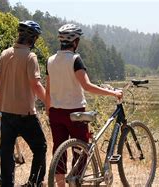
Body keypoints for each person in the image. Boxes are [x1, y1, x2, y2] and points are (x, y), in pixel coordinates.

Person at [45, 24, 123, 185]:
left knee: (59, 150)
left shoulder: (50, 60)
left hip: (55, 112)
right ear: (75, 42)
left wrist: (48, 108)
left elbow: (48, 88)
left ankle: (59, 184)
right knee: (81, 150)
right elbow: (87, 86)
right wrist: (113, 93)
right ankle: (76, 181)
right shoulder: (75, 59)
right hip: (75, 112)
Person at [0, 20, 47, 187]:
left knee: (7, 153)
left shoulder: (5, 54)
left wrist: (5, 98)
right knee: (40, 147)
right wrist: (49, 102)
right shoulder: (30, 57)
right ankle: (33, 183)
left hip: (6, 113)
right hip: (26, 114)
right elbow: (36, 85)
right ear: (33, 39)